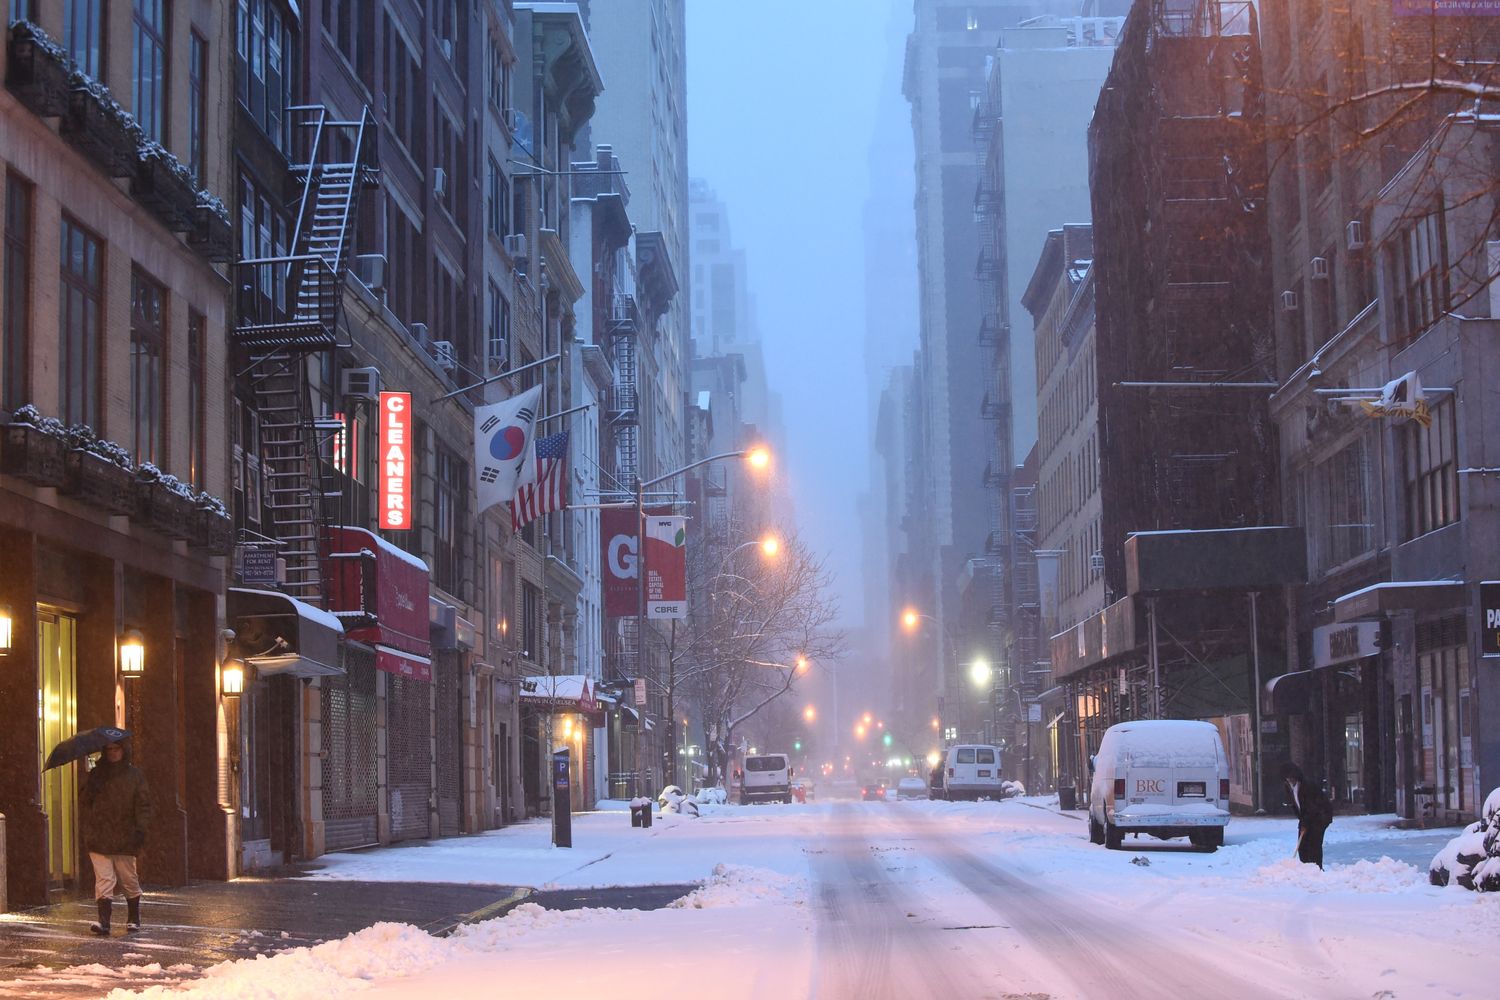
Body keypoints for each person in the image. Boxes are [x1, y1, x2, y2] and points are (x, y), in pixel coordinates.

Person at [81, 738, 152, 935]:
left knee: (128, 879)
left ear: (123, 751)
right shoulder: (96, 775)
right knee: (104, 879)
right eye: (109, 749)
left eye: (116, 749)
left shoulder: (134, 776)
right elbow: (86, 803)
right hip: (99, 835)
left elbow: (143, 805)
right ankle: (104, 921)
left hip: (125, 836)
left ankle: (133, 917)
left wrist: (140, 830)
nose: (113, 753)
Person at [1281, 761, 1332, 868]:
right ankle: (1305, 870)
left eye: (1292, 777)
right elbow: (1297, 806)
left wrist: (1305, 822)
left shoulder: (1307, 786)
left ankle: (1316, 870)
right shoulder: (1289, 787)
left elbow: (1312, 807)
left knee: (1314, 844)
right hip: (1306, 817)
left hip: (1320, 817)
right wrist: (1302, 821)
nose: (1290, 780)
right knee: (1303, 847)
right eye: (1288, 778)